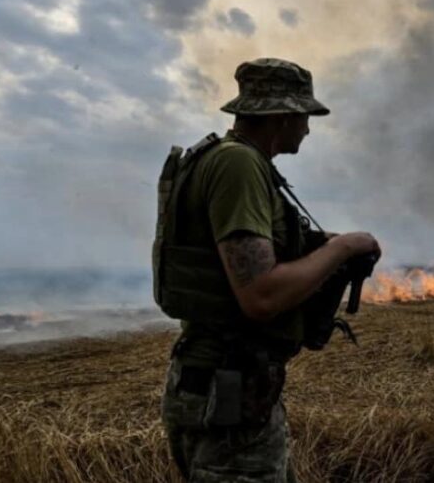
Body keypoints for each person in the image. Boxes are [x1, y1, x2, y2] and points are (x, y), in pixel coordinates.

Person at [154, 57, 380, 482]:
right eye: (304, 117)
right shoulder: (238, 165)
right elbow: (262, 295)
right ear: (281, 116)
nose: (308, 129)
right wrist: (347, 246)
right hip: (230, 400)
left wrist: (328, 243)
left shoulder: (226, 160)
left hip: (228, 390)